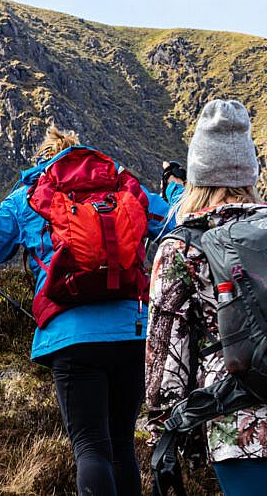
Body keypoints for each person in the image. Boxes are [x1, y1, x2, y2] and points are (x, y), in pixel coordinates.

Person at [0, 125, 182, 496]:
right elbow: (177, 222)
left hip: (71, 339)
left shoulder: (29, 196)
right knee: (121, 445)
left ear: (46, 159)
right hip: (133, 333)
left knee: (90, 447)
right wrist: (174, 186)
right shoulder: (124, 188)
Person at [147, 99, 267, 494]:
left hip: (235, 421)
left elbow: (167, 356)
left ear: (197, 174)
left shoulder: (180, 248)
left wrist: (163, 431)